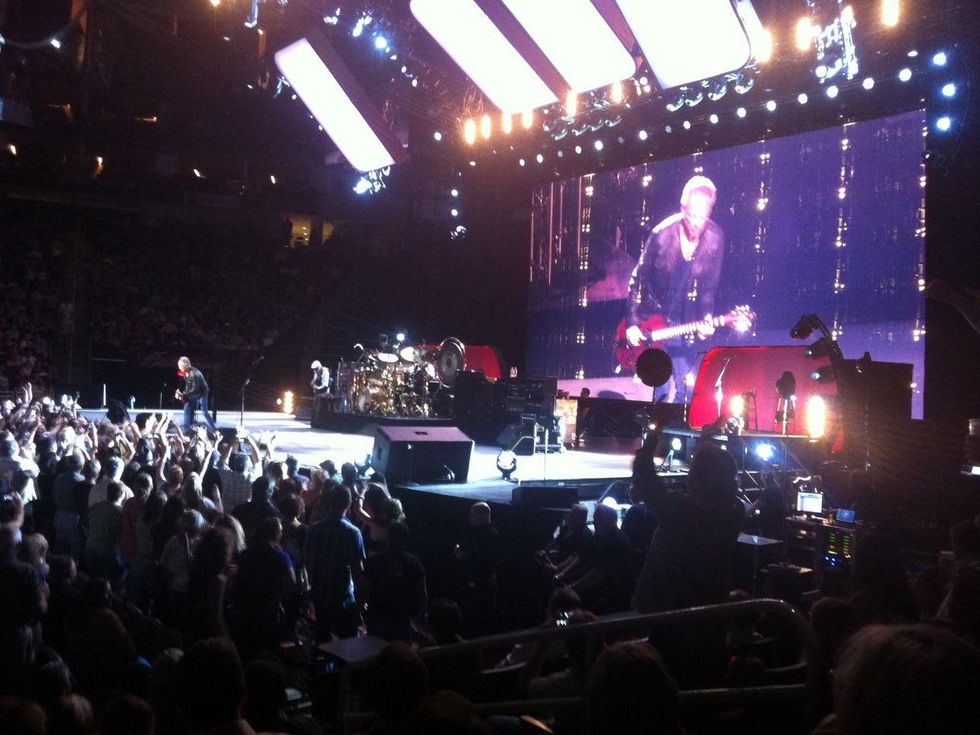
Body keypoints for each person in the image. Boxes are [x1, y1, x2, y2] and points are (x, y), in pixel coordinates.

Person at [622, 175, 725, 398]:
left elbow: (709, 289)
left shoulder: (716, 238)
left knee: (688, 387)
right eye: (692, 215)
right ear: (682, 208)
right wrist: (632, 323)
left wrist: (707, 317)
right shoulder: (661, 234)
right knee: (661, 386)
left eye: (704, 216)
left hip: (683, 321)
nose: (697, 222)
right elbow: (637, 280)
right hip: (652, 319)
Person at [304, 484, 366, 640]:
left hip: (320, 594)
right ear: (348, 504)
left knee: (322, 641)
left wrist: (307, 593)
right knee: (347, 644)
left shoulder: (314, 530)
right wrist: (361, 602)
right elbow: (358, 571)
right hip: (344, 596)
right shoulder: (353, 533)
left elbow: (306, 563)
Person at [176, 356, 217, 433]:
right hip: (195, 392)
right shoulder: (186, 373)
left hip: (202, 392)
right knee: (188, 407)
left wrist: (184, 394)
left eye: (180, 365)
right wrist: (182, 393)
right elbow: (189, 386)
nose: (179, 367)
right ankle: (188, 428)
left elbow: (194, 388)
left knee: (204, 411)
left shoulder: (194, 373)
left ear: (185, 365)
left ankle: (214, 429)